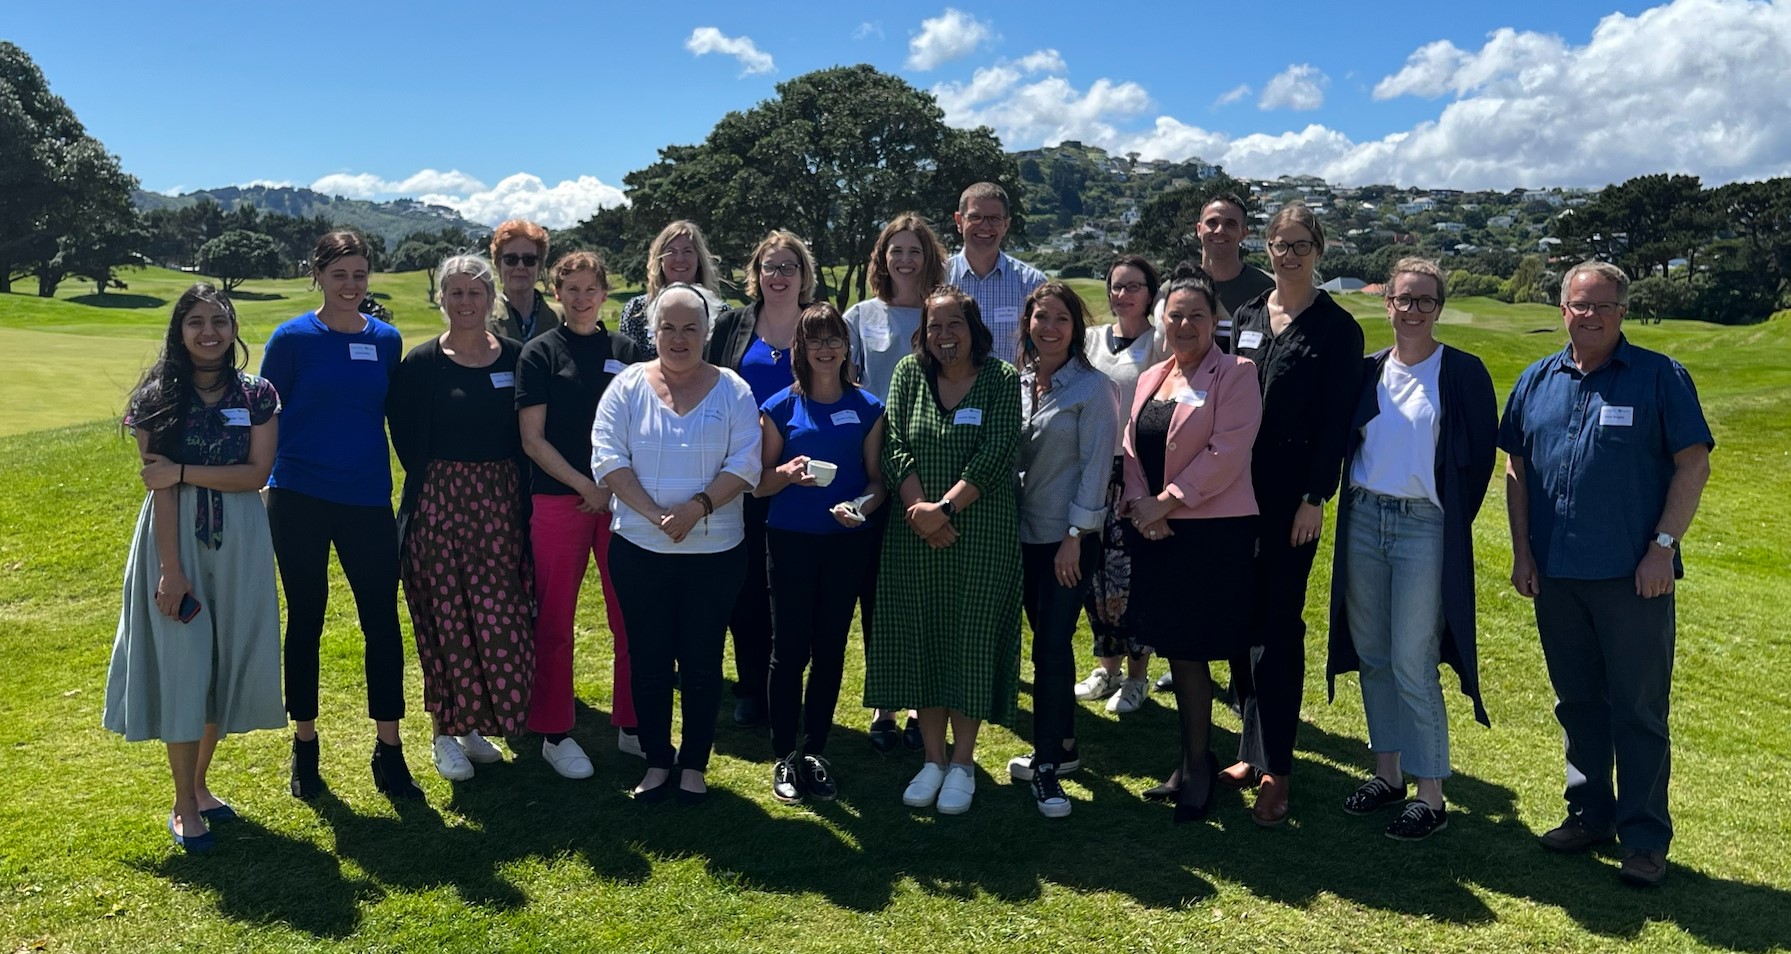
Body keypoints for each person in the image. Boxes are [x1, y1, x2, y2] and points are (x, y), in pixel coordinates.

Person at [1498, 260, 1712, 887]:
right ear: (1561, 309)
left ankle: (1644, 838)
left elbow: (1692, 465)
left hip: (1632, 577)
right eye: (1578, 304)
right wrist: (1522, 552)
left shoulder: (1658, 377)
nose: (1588, 315)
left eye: (1602, 305)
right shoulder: (1537, 379)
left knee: (1638, 710)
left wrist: (1663, 547)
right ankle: (1591, 813)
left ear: (1622, 311)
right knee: (1578, 702)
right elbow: (1516, 470)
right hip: (1556, 576)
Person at [106, 284, 288, 853]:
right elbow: (158, 490)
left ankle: (201, 786)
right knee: (185, 665)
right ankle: (184, 803)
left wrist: (183, 471)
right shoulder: (157, 397)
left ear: (233, 328)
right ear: (179, 330)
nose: (209, 332)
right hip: (175, 538)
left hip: (241, 540)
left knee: (220, 661)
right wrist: (170, 569)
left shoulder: (258, 393)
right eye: (196, 322)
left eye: (219, 320)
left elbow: (257, 474)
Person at [1324, 258, 1497, 841]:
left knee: (1412, 658)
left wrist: (1446, 521)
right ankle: (1387, 773)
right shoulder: (1369, 370)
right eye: (1404, 299)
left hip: (1426, 526)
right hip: (1365, 520)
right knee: (1372, 651)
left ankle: (1431, 795)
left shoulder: (1463, 372)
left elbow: (1475, 465)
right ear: (1387, 304)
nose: (1413, 310)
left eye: (1425, 300)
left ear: (1439, 308)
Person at [261, 231, 423, 801]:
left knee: (381, 619)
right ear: (318, 274)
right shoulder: (291, 338)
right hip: (299, 494)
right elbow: (264, 415)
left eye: (359, 274)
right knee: (306, 618)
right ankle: (305, 748)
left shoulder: (386, 340)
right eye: (339, 274)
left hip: (365, 498)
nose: (351, 285)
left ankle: (390, 749)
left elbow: (390, 413)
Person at [592, 284, 762, 805]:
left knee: (702, 659)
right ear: (653, 331)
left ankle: (693, 764)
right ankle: (656, 761)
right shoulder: (625, 386)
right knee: (647, 657)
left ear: (707, 332)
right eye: (669, 327)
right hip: (640, 549)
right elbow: (607, 457)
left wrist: (696, 510)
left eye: (691, 327)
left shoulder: (732, 389)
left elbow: (746, 463)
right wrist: (654, 513)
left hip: (714, 552)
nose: (679, 337)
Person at [1224, 204, 1364, 826]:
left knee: (1278, 627)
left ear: (1319, 248)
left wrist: (1316, 497)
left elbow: (1337, 424)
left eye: (1301, 244)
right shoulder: (1248, 315)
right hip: (1234, 494)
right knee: (1240, 620)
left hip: (1291, 501)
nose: (1289, 254)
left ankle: (1277, 767)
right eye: (1280, 243)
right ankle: (1248, 751)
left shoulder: (1337, 328)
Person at [865, 285, 1022, 816]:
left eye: (954, 324)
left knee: (969, 640)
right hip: (914, 537)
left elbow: (997, 450)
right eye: (934, 326)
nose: (944, 336)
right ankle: (932, 759)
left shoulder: (1000, 380)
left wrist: (945, 511)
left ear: (972, 328)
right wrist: (920, 513)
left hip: (981, 535)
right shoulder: (909, 375)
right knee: (924, 637)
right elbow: (894, 445)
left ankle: (962, 762)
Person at [1120, 265, 1262, 823]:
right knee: (1177, 649)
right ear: (1162, 320)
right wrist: (1141, 506)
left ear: (1214, 322)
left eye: (1196, 316)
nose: (1184, 324)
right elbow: (1131, 449)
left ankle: (1201, 768)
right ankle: (1188, 759)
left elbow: (1228, 453)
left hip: (1212, 533)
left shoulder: (1237, 373)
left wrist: (1166, 501)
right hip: (1157, 532)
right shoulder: (1153, 376)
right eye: (1174, 315)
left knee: (1197, 649)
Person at [387, 254, 536, 782]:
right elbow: (404, 436)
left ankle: (474, 726)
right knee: (444, 618)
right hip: (437, 504)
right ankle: (444, 733)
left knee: (500, 616)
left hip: (501, 503)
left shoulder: (517, 358)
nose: (465, 301)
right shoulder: (421, 364)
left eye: (475, 292)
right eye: (455, 292)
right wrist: (442, 486)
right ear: (441, 299)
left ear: (490, 297)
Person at [755, 302, 888, 804]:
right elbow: (759, 486)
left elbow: (877, 483)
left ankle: (815, 750)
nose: (826, 348)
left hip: (845, 542)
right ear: (801, 349)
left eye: (834, 339)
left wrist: (860, 506)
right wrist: (787, 475)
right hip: (789, 539)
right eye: (815, 340)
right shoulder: (779, 409)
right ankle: (784, 756)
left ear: (846, 347)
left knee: (831, 649)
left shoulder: (869, 408)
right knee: (790, 649)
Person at [517, 251, 644, 773]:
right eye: (571, 289)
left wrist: (610, 489)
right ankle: (554, 731)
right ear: (556, 293)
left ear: (605, 292)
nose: (582, 298)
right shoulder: (540, 353)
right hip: (558, 498)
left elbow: (642, 430)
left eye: (591, 288)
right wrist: (585, 485)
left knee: (631, 616)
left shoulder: (628, 351)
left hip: (620, 501)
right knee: (554, 618)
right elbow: (533, 439)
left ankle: (634, 724)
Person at [1007, 283, 1119, 818]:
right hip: (1024, 536)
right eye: (1040, 317)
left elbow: (1097, 470)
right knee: (1045, 639)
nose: (1049, 328)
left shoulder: (1093, 390)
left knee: (1050, 647)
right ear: (1027, 322)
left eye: (1061, 320)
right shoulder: (1020, 382)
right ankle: (1068, 746)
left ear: (1076, 329)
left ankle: (1048, 763)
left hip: (1069, 540)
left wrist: (1075, 538)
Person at [845, 212, 949, 752]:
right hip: (870, 468)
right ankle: (884, 703)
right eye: (895, 250)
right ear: (881, 258)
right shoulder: (861, 315)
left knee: (919, 591)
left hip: (929, 469)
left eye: (914, 250)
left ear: (928, 256)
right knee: (875, 594)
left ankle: (918, 702)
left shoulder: (942, 315)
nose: (904, 260)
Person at [705, 230, 816, 728]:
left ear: (803, 275)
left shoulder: (817, 325)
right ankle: (751, 685)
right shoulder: (731, 325)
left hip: (804, 473)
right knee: (745, 584)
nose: (778, 276)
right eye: (770, 266)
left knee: (796, 584)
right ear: (757, 273)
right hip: (742, 472)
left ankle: (787, 683)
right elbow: (709, 386)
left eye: (788, 266)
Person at [1075, 256, 1169, 715]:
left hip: (1136, 472)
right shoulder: (1091, 341)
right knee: (1094, 575)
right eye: (1116, 286)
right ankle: (1105, 666)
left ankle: (1136, 676)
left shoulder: (1159, 343)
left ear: (1150, 293)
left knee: (1132, 577)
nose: (1123, 294)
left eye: (1134, 286)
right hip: (1091, 470)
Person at [946, 182, 1046, 364]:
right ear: (959, 221)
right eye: (975, 217)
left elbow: (1046, 347)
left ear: (1006, 224)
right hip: (950, 392)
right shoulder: (938, 278)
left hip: (1014, 391)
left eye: (994, 218)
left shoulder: (1032, 283)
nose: (985, 226)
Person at [618, 220, 725, 359]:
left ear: (699, 259)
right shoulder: (636, 311)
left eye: (687, 251)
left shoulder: (722, 314)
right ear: (660, 260)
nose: (679, 259)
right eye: (671, 252)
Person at [1197, 193, 1275, 351]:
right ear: (1199, 229)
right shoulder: (1174, 288)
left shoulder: (1269, 289)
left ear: (1244, 233)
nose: (1220, 230)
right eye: (1212, 222)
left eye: (1230, 224)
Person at [487, 219, 563, 342]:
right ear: (498, 264)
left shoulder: (563, 318)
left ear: (540, 266)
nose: (520, 266)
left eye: (529, 259)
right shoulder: (481, 318)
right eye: (511, 259)